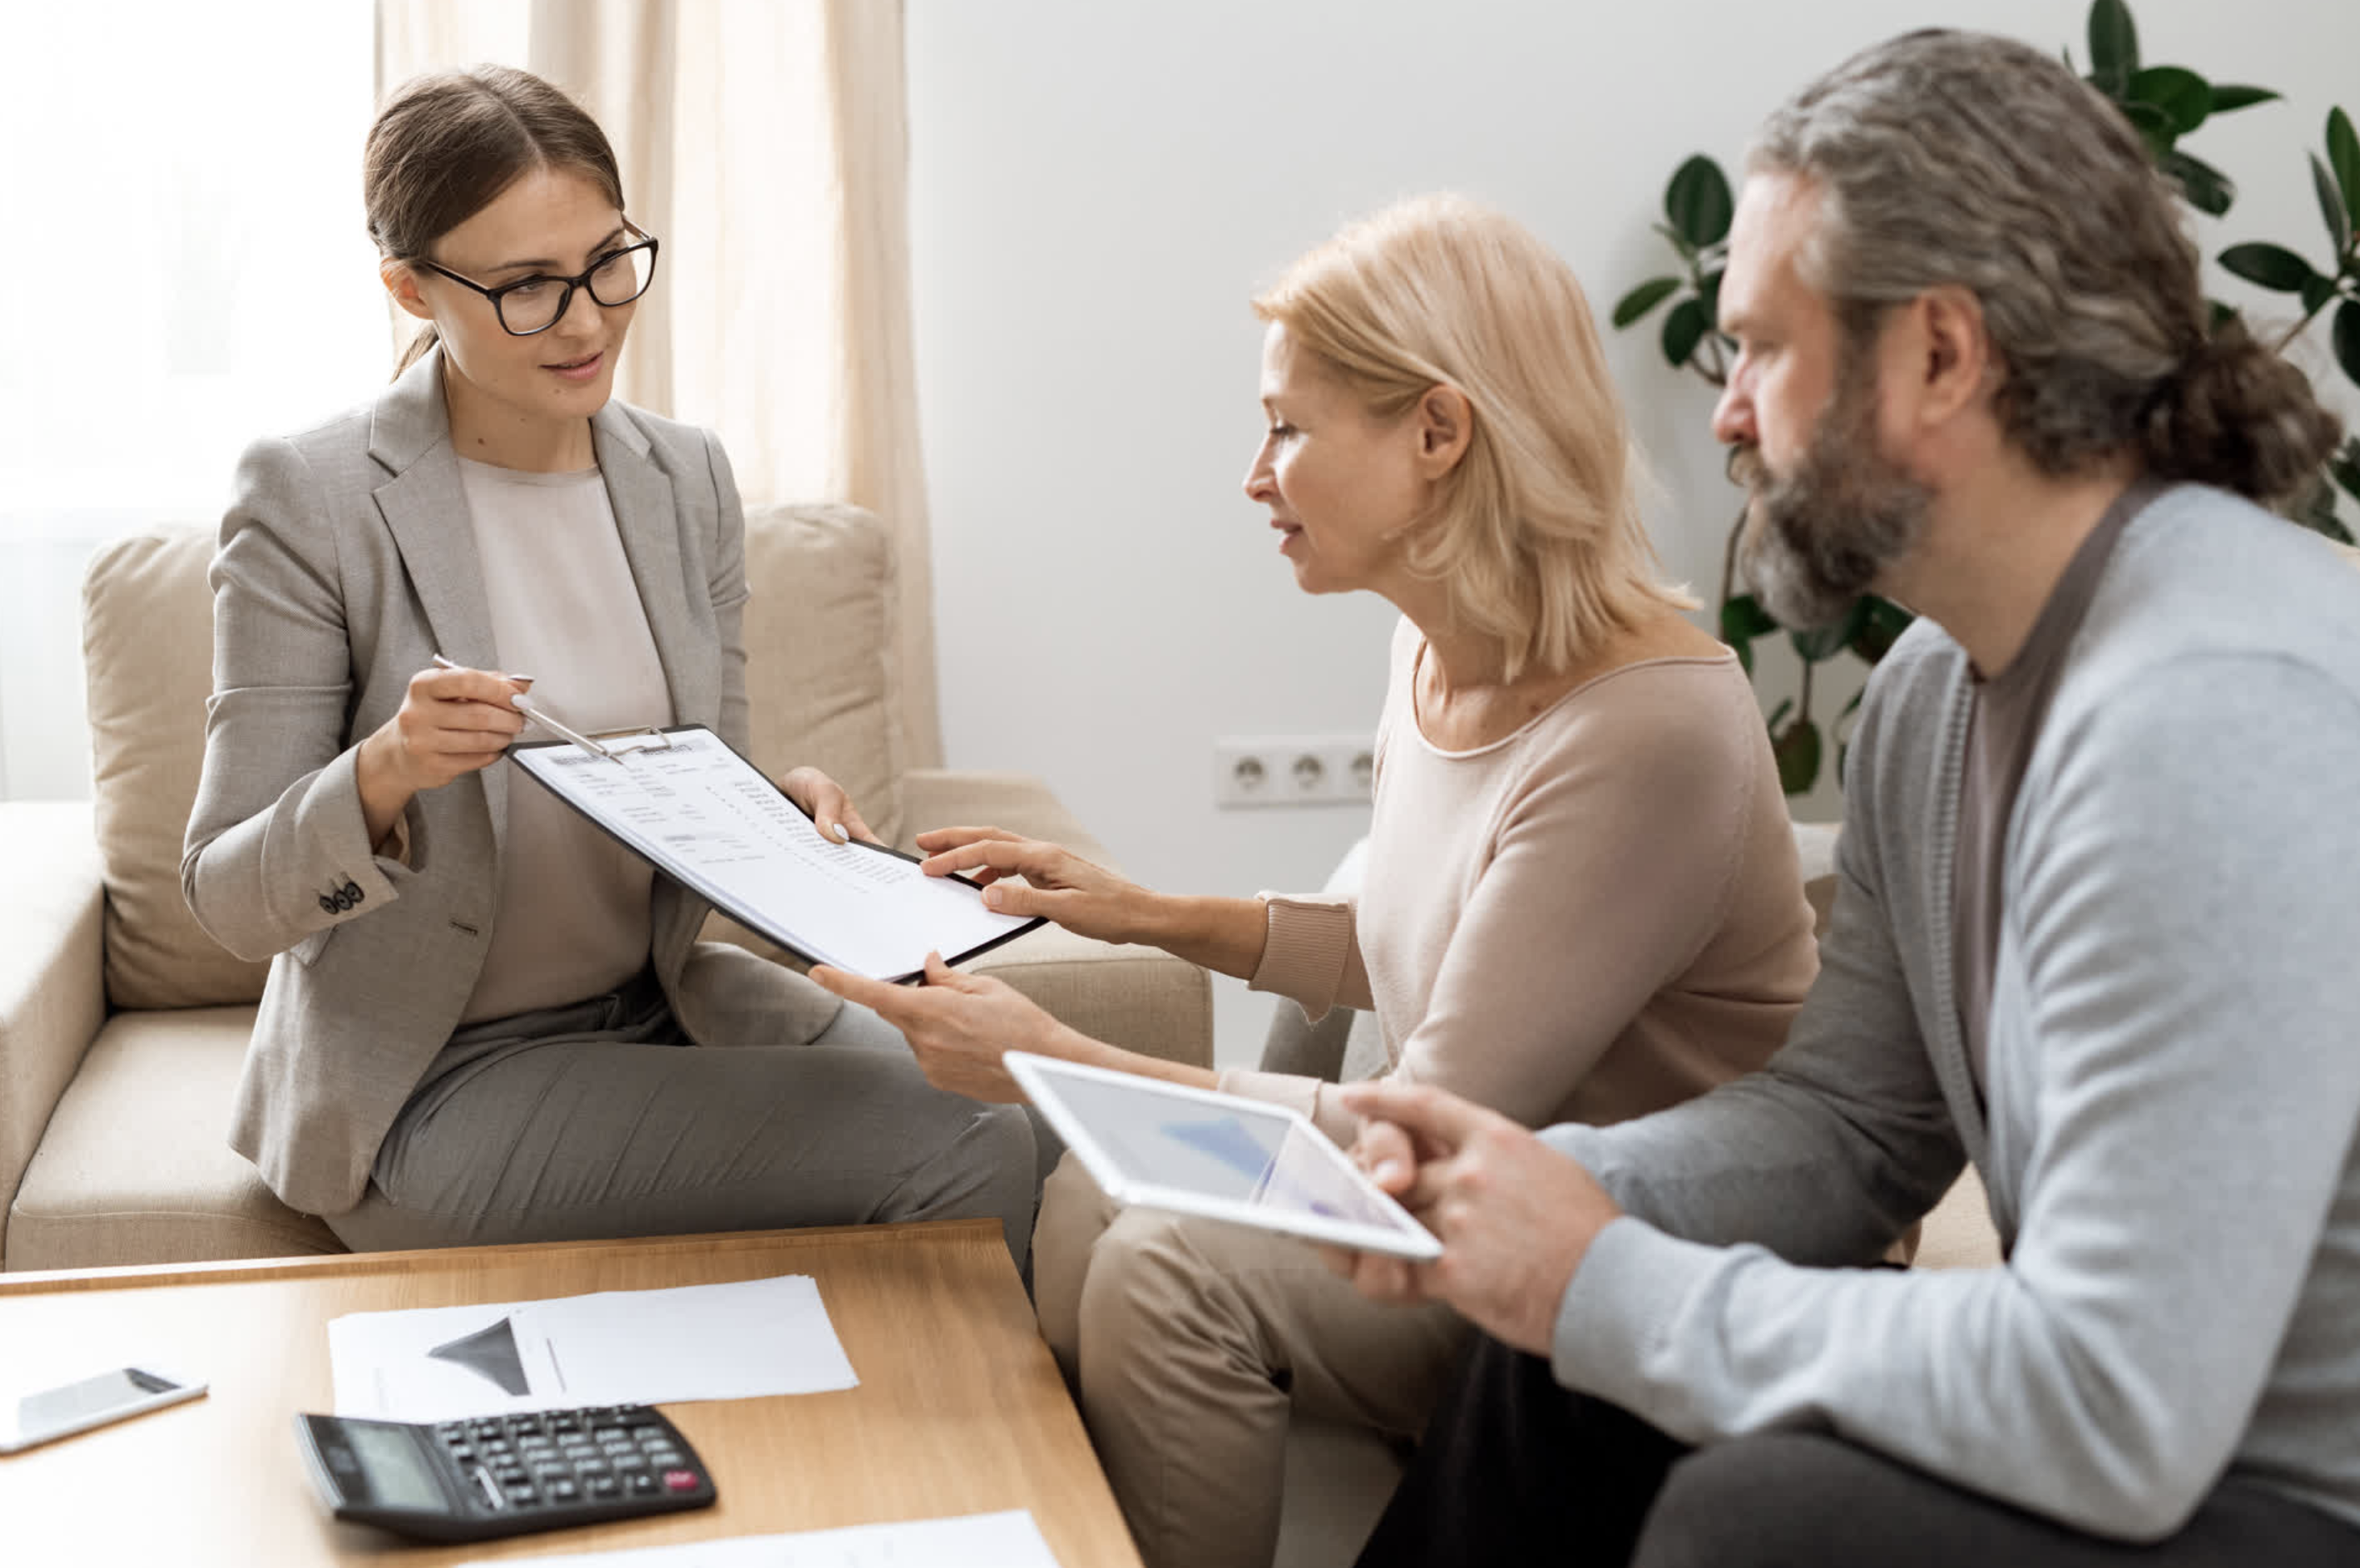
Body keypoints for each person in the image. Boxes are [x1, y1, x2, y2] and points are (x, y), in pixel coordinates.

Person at [1329, 30, 2360, 1568]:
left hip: (2279, 1491)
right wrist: (1539, 1190)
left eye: (1760, 347)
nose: (1728, 411)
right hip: (2157, 1435)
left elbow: (2115, 1405)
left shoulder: (2210, 714)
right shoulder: (1933, 701)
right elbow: (1850, 1126)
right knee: (1574, 1344)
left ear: (1941, 355)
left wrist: (1594, 1274)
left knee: (1764, 1509)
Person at [811, 194, 1822, 1568]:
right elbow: (1412, 945)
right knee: (1094, 1192)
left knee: (1171, 1266)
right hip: (1461, 1193)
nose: (1253, 472)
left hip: (1603, 1265)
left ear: (1438, 433)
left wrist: (1055, 1057)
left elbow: (1432, 1120)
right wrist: (1136, 908)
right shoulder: (1437, 650)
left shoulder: (1646, 729)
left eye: (1288, 426)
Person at [181, 65, 1036, 1262]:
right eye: (527, 286)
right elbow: (226, 893)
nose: (586, 320)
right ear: (412, 288)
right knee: (962, 1142)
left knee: (1023, 1105)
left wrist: (778, 816)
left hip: (660, 1011)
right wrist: (385, 771)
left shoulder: (682, 479)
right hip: (433, 1078)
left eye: (608, 261)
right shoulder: (310, 498)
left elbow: (697, 780)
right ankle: (949, 1456)